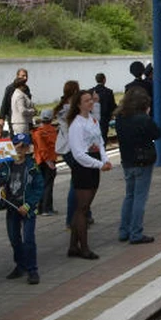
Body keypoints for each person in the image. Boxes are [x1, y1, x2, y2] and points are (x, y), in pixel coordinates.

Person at [66, 90, 113, 259]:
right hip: (83, 167)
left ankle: (73, 246)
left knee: (84, 207)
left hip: (93, 164)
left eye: (91, 100)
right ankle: (83, 247)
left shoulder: (92, 120)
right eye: (86, 101)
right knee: (82, 208)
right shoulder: (76, 125)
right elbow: (78, 154)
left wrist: (105, 159)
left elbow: (99, 141)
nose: (90, 103)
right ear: (78, 104)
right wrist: (100, 164)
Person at [0, 133, 44, 285]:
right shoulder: (6, 165)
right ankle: (20, 265)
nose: (20, 149)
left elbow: (39, 187)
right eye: (17, 146)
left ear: (28, 148)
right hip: (12, 207)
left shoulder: (32, 166)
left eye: (24, 146)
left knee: (28, 239)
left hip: (27, 208)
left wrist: (28, 204)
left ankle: (32, 269)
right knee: (14, 238)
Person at [114, 87, 158, 245]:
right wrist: (147, 116)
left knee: (129, 196)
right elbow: (156, 134)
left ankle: (123, 231)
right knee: (140, 197)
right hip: (143, 161)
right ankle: (136, 233)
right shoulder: (143, 119)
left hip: (127, 161)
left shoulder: (120, 117)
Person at [53, 80, 81, 228]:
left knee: (80, 182)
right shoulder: (71, 110)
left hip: (65, 148)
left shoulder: (63, 108)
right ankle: (71, 219)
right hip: (72, 149)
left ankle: (84, 214)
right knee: (77, 183)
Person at [31, 109, 58, 216]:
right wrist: (49, 161)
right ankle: (47, 208)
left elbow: (40, 148)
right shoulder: (52, 130)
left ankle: (40, 208)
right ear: (51, 119)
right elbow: (47, 148)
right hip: (49, 160)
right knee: (48, 185)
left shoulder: (38, 132)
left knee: (41, 184)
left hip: (39, 160)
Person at [92, 73, 116, 144]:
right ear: (104, 80)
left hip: (93, 118)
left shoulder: (91, 91)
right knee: (103, 137)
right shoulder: (108, 92)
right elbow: (112, 106)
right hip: (104, 118)